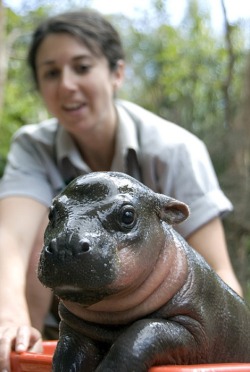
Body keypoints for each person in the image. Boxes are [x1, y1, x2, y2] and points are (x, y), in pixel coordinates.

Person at [0, 8, 243, 371]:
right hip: (80, 317)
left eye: (82, 67)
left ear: (117, 73)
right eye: (51, 72)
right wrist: (8, 317)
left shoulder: (175, 148)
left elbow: (219, 270)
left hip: (164, 305)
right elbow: (12, 236)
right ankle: (23, 348)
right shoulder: (33, 145)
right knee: (45, 230)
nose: (66, 84)